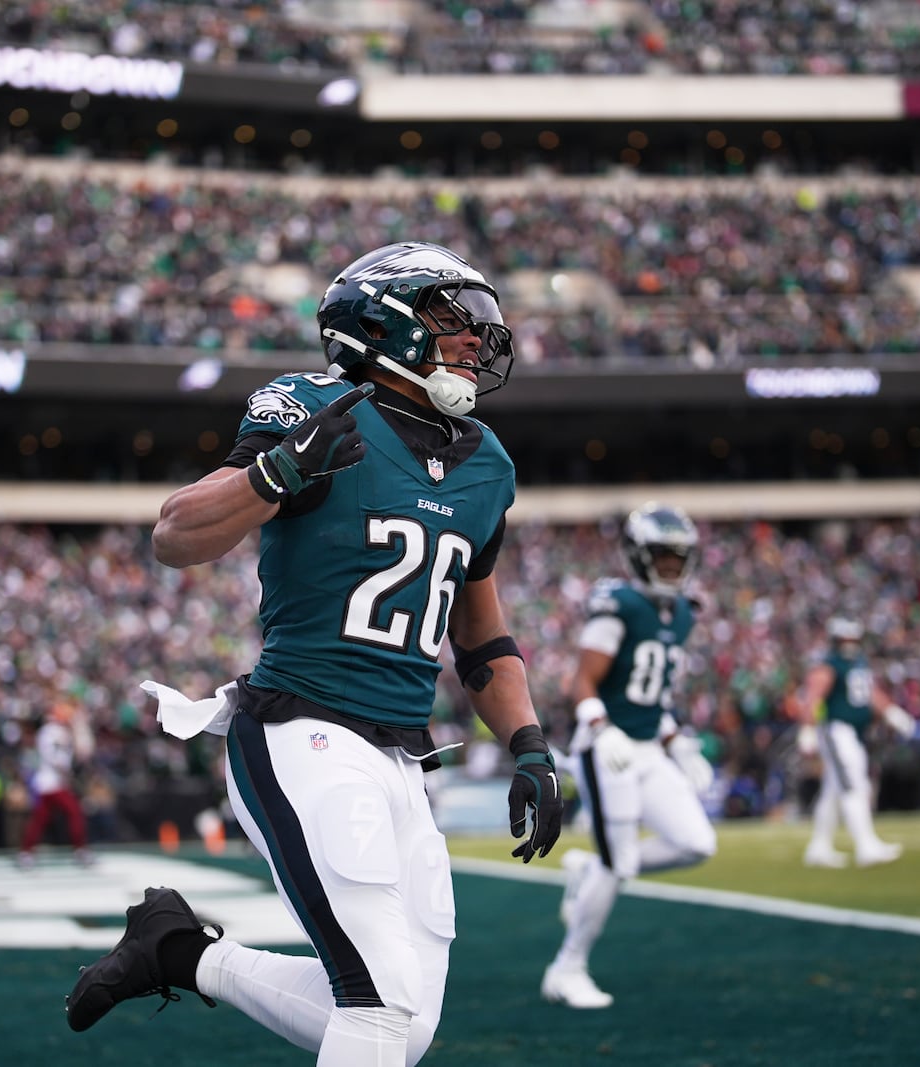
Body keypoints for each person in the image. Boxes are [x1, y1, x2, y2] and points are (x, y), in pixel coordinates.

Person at [65, 241, 562, 1065]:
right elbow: (175, 535)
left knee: (407, 1030)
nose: (477, 339)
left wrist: (530, 742)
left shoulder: (489, 465)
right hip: (303, 728)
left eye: (482, 323)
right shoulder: (313, 408)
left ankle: (179, 953)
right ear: (382, 319)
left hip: (402, 756)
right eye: (453, 317)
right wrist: (277, 471)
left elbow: (480, 634)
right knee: (377, 1008)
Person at [542, 503, 716, 1010]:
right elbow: (583, 681)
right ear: (638, 557)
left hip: (645, 746)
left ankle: (589, 869)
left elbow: (650, 696)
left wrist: (675, 741)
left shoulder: (683, 612)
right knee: (618, 867)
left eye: (678, 558)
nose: (671, 568)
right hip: (607, 748)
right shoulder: (619, 604)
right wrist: (599, 727)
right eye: (662, 557)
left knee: (696, 843)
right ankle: (566, 968)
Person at [799, 617, 913, 869]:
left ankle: (819, 846)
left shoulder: (858, 664)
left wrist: (892, 713)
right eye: (845, 639)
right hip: (836, 731)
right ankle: (865, 845)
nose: (849, 644)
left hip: (854, 733)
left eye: (853, 639)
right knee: (854, 786)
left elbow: (869, 693)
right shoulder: (829, 665)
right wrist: (807, 728)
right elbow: (813, 696)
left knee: (833, 792)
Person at [19, 702, 93, 868]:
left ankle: (26, 852)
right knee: (73, 813)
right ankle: (80, 850)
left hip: (51, 782)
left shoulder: (55, 731)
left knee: (40, 819)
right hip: (52, 783)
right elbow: (55, 758)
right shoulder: (53, 732)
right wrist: (67, 770)